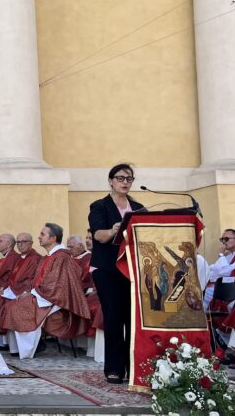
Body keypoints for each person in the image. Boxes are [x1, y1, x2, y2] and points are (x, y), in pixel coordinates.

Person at [0, 223, 90, 359]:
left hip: (56, 299)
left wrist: (33, 293)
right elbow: (38, 281)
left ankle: (29, 349)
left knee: (18, 308)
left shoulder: (62, 257)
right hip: (45, 295)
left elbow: (58, 285)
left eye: (42, 234)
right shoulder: (50, 256)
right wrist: (29, 292)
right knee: (13, 304)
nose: (39, 237)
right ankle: (20, 348)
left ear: (53, 238)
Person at [88, 163, 145, 384]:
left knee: (132, 319)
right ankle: (114, 369)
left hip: (133, 269)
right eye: (120, 178)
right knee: (113, 318)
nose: (125, 182)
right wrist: (113, 230)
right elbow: (99, 235)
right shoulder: (99, 206)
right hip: (108, 268)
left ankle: (133, 368)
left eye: (129, 179)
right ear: (111, 180)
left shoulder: (139, 208)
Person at [204, 229, 235, 308]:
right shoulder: (228, 256)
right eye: (222, 239)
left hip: (230, 288)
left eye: (226, 239)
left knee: (202, 295)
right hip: (218, 285)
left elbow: (226, 272)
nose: (223, 242)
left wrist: (221, 255)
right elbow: (214, 270)